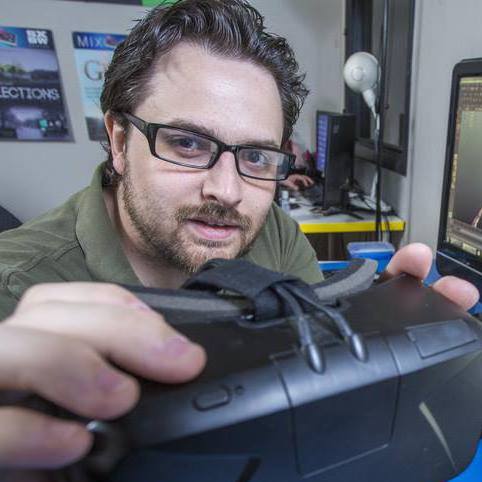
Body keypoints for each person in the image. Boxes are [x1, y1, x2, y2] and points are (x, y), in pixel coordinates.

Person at [0, 1, 478, 479]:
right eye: (187, 143)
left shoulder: (275, 233)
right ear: (120, 142)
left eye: (255, 156)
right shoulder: (16, 297)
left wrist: (377, 345)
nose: (227, 192)